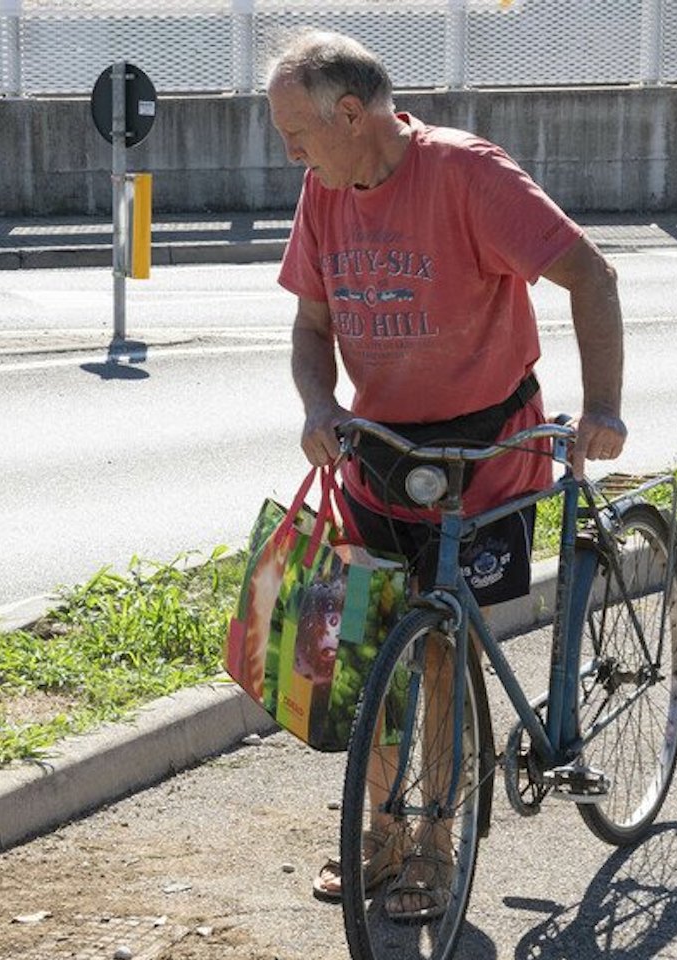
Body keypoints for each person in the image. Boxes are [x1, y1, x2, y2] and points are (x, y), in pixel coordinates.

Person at [266, 30, 627, 914]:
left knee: (439, 648)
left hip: (484, 450)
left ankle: (437, 841)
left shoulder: (468, 175)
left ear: (352, 114)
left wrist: (603, 409)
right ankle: (383, 836)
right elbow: (312, 331)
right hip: (381, 455)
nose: (291, 155)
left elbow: (591, 275)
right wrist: (320, 408)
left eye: (296, 134)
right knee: (370, 642)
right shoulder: (325, 194)